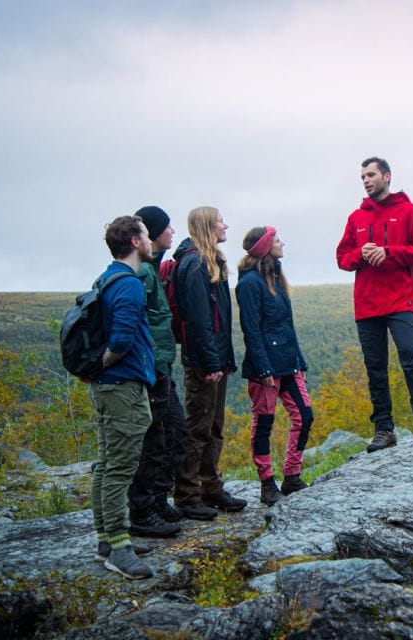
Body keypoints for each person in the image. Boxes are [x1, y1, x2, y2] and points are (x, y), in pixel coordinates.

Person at [336, 157, 413, 453]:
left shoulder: (409, 211)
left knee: (411, 357)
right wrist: (361, 254)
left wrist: (389, 252)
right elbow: (342, 258)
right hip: (367, 304)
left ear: (387, 176)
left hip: (401, 300)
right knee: (375, 367)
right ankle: (383, 429)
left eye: (371, 175)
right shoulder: (356, 218)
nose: (366, 180)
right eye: (363, 177)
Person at [89, 215, 156, 579]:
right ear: (134, 241)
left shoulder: (107, 277)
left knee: (106, 462)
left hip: (108, 385)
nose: (150, 242)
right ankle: (119, 548)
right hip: (122, 385)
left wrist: (96, 372)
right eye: (145, 235)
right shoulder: (129, 284)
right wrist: (102, 365)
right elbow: (121, 340)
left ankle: (107, 540)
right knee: (119, 467)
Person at [171, 206, 247, 519]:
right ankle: (187, 496)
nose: (225, 225)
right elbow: (198, 320)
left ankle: (211, 488)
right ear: (207, 226)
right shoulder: (194, 264)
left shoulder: (210, 261)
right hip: (204, 362)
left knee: (214, 426)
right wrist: (210, 362)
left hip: (215, 358)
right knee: (198, 428)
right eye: (220, 221)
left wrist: (221, 360)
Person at [235, 226, 313, 506]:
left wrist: (299, 362)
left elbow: (286, 326)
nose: (282, 243)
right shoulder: (249, 283)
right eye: (277, 240)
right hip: (265, 367)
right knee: (264, 423)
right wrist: (264, 368)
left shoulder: (276, 277)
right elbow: (251, 329)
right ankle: (267, 484)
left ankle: (292, 475)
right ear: (265, 246)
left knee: (304, 416)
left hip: (288, 363)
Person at [124, 206, 186, 537]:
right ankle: (142, 510)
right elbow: (137, 321)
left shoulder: (154, 267)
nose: (172, 231)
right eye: (166, 227)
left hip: (161, 366)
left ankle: (158, 499)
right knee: (156, 439)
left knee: (174, 432)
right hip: (151, 368)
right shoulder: (144, 274)